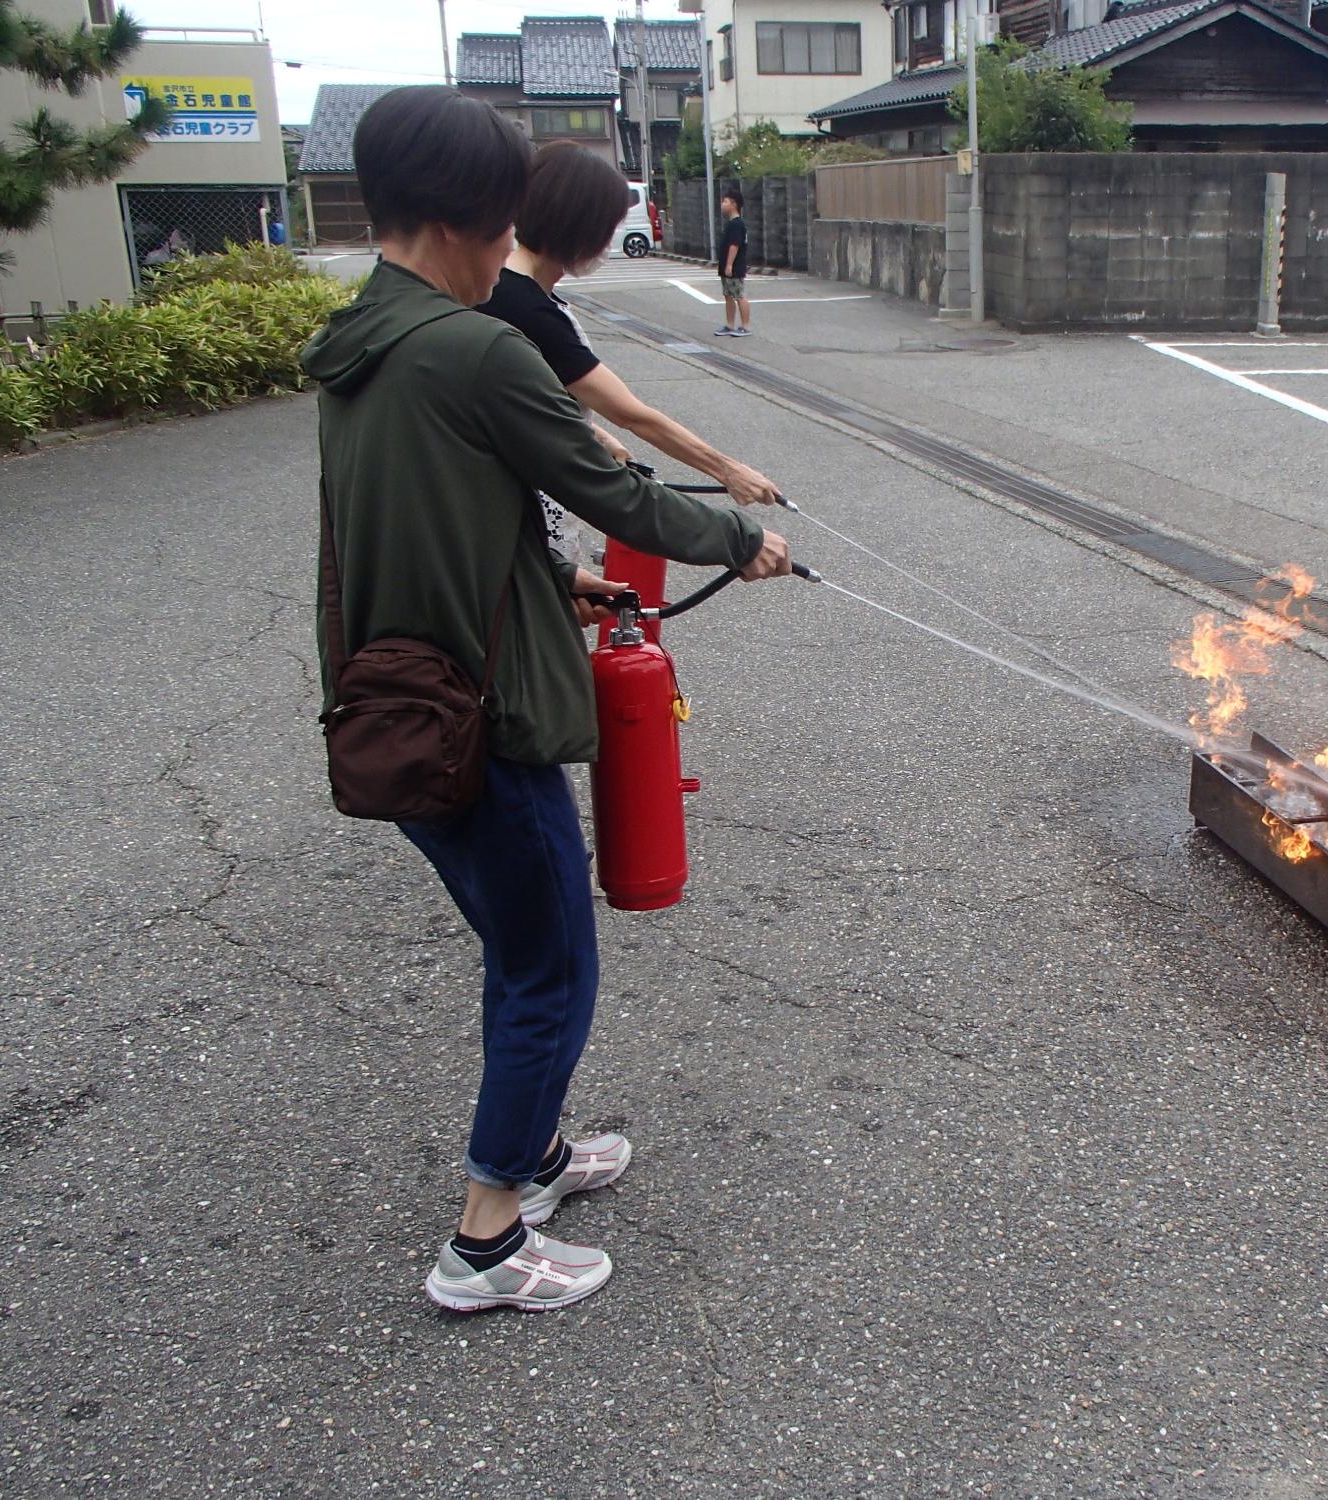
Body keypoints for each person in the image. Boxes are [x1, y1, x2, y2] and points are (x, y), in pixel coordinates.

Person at [299, 86, 792, 1314]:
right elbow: (617, 487)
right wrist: (737, 536)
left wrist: (551, 578)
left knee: (519, 951)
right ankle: (484, 1243)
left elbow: (433, 519)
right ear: (479, 213)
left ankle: (534, 1156)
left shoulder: (367, 340)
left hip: (397, 704)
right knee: (548, 971)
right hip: (477, 722)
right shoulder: (474, 346)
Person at [478, 144, 782, 507]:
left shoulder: (503, 287)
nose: (608, 243)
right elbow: (631, 414)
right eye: (608, 229)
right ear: (581, 227)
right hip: (522, 502)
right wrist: (728, 470)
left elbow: (525, 404)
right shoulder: (527, 308)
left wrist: (593, 434)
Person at [715, 188, 750, 338]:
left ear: (734, 204)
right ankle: (730, 325)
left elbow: (734, 245)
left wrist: (729, 264)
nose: (722, 204)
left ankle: (745, 326)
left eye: (725, 201)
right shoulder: (731, 223)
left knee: (739, 295)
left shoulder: (737, 224)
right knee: (728, 295)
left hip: (735, 266)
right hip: (726, 266)